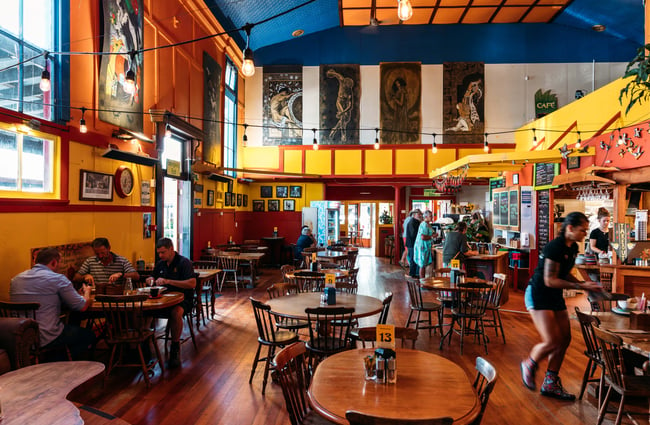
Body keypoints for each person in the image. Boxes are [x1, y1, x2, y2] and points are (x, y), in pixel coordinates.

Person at [520, 212, 604, 401]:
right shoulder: (554, 247)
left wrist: (585, 285)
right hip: (539, 294)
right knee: (552, 341)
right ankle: (529, 364)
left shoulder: (573, 247)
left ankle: (550, 382)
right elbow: (550, 280)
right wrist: (581, 286)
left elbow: (563, 273)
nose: (585, 233)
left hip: (554, 296)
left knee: (564, 339)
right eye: (582, 230)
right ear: (570, 228)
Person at [10, 247, 95, 360]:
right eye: (59, 262)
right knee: (89, 335)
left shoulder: (16, 280)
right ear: (54, 262)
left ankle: (50, 359)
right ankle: (59, 361)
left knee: (71, 324)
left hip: (21, 336)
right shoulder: (58, 279)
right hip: (47, 336)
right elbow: (82, 306)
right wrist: (87, 293)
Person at [147, 238, 196, 368]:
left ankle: (175, 347)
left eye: (163, 252)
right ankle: (142, 345)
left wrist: (168, 281)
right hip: (163, 299)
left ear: (171, 249)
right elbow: (152, 276)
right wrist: (151, 279)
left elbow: (192, 283)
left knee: (176, 312)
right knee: (143, 310)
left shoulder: (184, 262)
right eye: (159, 253)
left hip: (184, 299)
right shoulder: (160, 264)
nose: (161, 256)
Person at [74, 237, 140, 291]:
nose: (100, 256)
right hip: (97, 294)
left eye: (103, 253)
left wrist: (121, 274)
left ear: (109, 248)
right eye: (97, 254)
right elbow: (76, 278)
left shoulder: (121, 260)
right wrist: (85, 276)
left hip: (116, 294)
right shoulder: (90, 261)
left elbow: (136, 276)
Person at [414, 210, 436, 278]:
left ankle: (424, 281)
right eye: (430, 216)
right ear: (426, 216)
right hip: (422, 246)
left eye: (432, 216)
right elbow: (423, 237)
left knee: (424, 264)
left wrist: (433, 235)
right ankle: (422, 283)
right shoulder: (424, 224)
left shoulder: (428, 224)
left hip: (426, 246)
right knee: (422, 265)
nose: (432, 217)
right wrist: (432, 236)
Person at [405, 209, 423, 278]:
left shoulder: (416, 222)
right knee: (413, 259)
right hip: (412, 244)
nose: (420, 215)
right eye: (419, 214)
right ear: (414, 215)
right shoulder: (412, 222)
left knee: (414, 258)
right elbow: (413, 234)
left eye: (421, 214)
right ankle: (412, 274)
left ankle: (415, 273)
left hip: (413, 243)